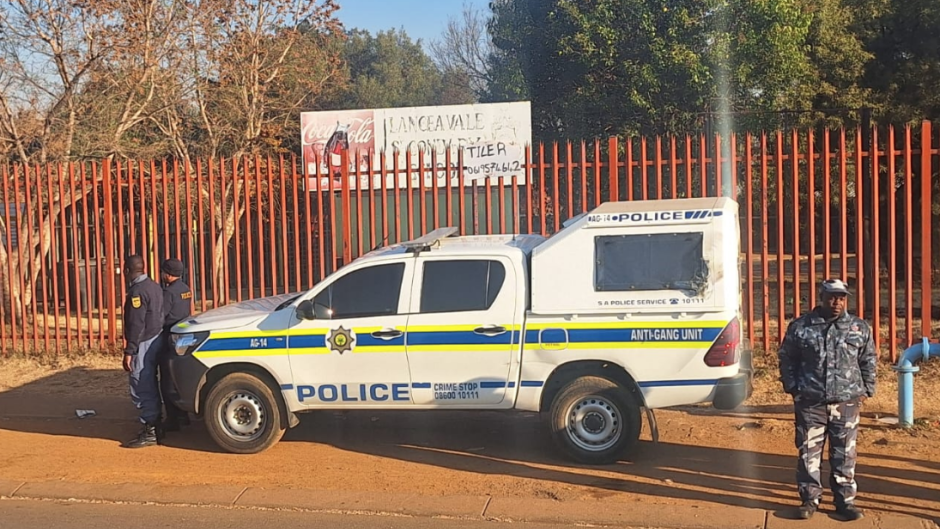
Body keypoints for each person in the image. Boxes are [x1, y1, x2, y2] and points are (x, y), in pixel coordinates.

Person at [777, 279, 876, 521]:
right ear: (821, 297)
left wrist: (867, 390)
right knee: (809, 453)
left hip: (846, 402)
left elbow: (868, 359)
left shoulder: (858, 328)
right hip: (811, 402)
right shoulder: (801, 327)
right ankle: (810, 500)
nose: (837, 302)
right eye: (832, 297)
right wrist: (793, 389)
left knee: (844, 454)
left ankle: (845, 502)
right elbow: (787, 359)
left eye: (841, 297)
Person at [121, 255, 165, 449]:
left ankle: (151, 429)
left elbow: (136, 324)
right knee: (151, 382)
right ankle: (157, 424)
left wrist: (130, 350)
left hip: (144, 342)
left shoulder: (137, 292)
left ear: (127, 270)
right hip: (157, 337)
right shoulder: (154, 286)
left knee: (141, 383)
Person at [158, 258, 193, 433]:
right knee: (179, 377)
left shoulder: (168, 293)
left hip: (168, 337)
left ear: (168, 274)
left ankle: (173, 419)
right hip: (183, 337)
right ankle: (183, 415)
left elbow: (161, 316)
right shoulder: (186, 289)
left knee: (167, 381)